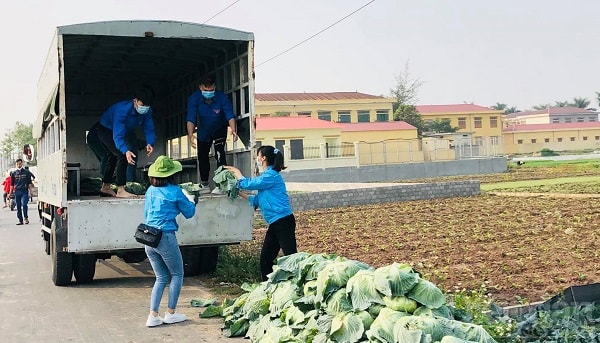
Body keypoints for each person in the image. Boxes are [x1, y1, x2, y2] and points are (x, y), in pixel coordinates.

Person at [225, 145, 297, 281]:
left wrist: (237, 173)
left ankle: (299, 285)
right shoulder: (267, 177)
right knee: (265, 259)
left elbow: (250, 184)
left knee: (291, 258)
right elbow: (257, 199)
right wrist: (238, 192)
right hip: (275, 224)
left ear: (263, 158)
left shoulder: (271, 176)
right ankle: (268, 288)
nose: (256, 158)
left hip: (283, 221)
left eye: (258, 155)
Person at [143, 155, 196, 327]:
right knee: (177, 274)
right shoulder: (175, 191)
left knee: (160, 277)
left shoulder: (150, 190)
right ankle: (171, 313)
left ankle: (153, 315)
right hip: (165, 237)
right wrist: (192, 200)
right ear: (172, 174)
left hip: (148, 238)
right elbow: (189, 213)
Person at [87, 88, 156, 198]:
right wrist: (125, 150)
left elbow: (149, 127)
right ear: (135, 101)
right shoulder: (122, 110)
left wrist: (150, 143)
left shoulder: (147, 111)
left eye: (148, 105)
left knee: (112, 156)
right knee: (121, 154)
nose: (145, 108)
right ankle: (120, 190)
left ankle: (105, 187)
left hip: (119, 131)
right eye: (143, 104)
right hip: (105, 130)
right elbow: (117, 135)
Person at [186, 73, 237, 193]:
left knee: (220, 154)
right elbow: (191, 118)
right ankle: (204, 184)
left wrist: (233, 129)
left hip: (219, 128)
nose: (208, 92)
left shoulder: (222, 97)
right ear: (200, 87)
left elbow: (229, 114)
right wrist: (190, 134)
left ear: (215, 87)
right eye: (205, 90)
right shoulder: (194, 99)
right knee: (202, 156)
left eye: (211, 90)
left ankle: (221, 184)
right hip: (203, 130)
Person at [9, 159, 34, 225]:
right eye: (17, 164)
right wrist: (10, 193)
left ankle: (26, 218)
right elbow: (12, 184)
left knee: (24, 204)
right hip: (17, 191)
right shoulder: (14, 173)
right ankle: (20, 220)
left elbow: (29, 182)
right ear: (16, 164)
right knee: (18, 206)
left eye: (20, 164)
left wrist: (31, 191)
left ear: (22, 164)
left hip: (24, 191)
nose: (19, 165)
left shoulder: (26, 172)